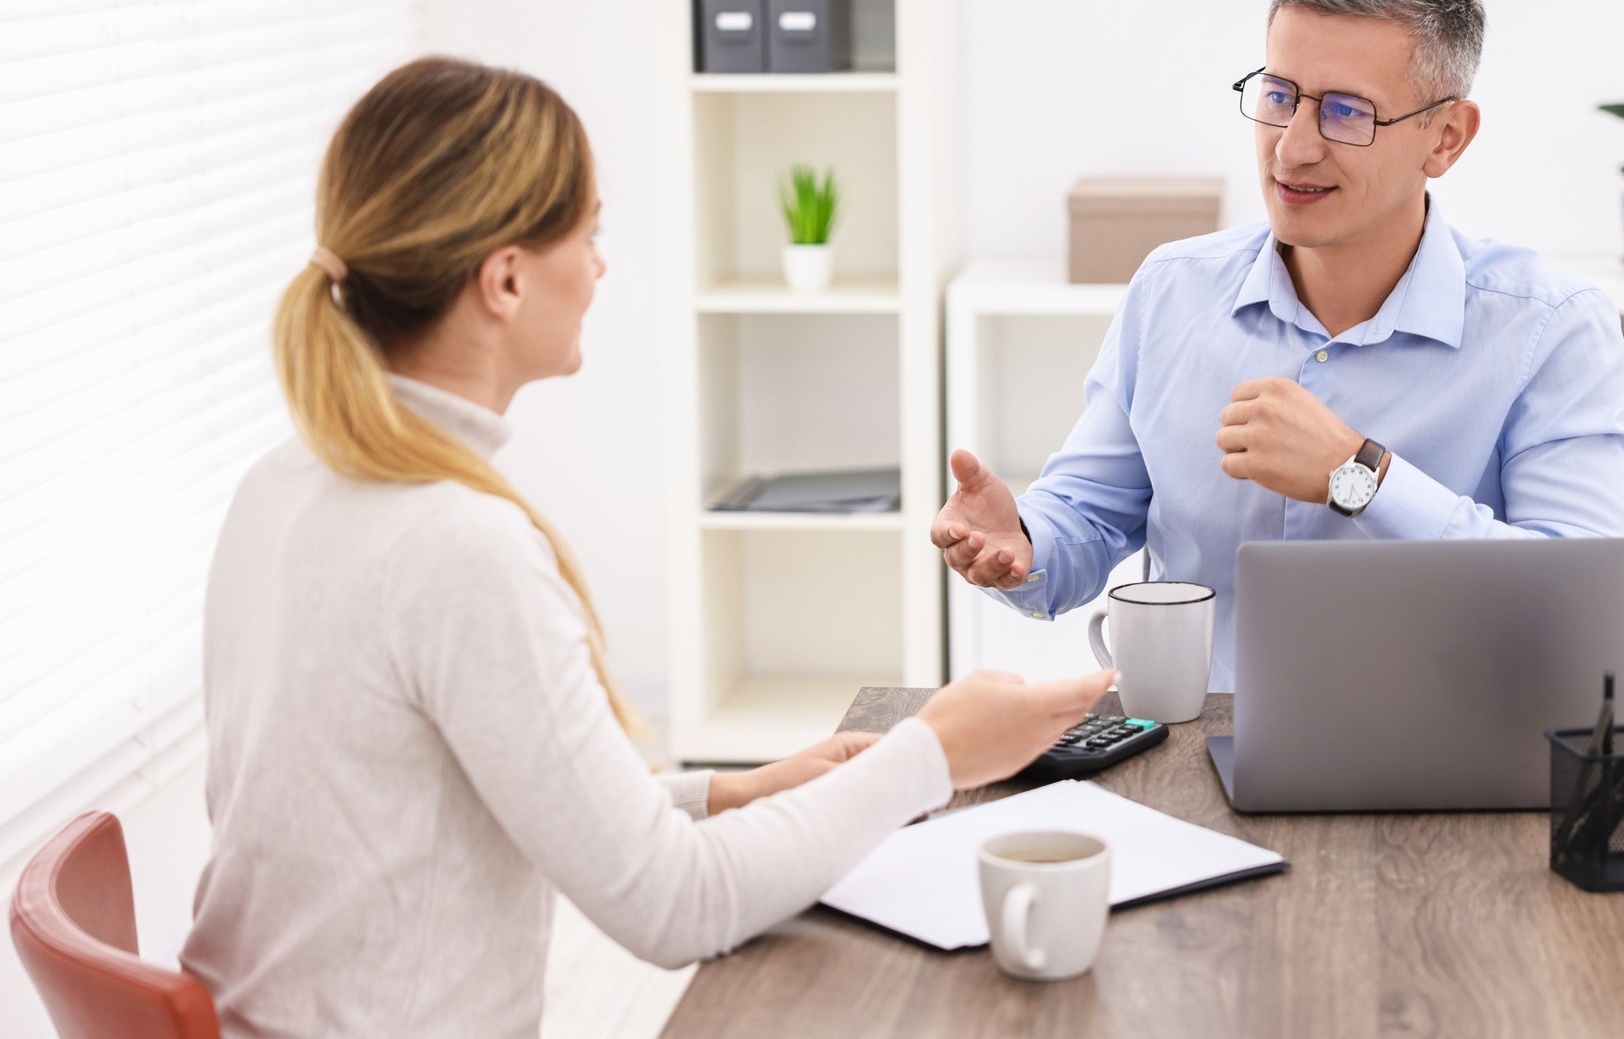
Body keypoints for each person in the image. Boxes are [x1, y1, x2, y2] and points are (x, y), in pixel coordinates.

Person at [180, 57, 1111, 1039]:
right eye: (587, 233)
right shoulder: (455, 546)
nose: (599, 265)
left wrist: (726, 792)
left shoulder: (282, 484)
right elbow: (677, 907)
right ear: (503, 279)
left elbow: (472, 782)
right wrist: (936, 749)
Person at [932, 0, 1624, 689]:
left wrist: (1360, 476)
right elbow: (1089, 517)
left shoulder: (1551, 330)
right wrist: (1019, 539)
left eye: (1347, 112)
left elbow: (1584, 608)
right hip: (1188, 751)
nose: (1292, 149)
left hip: (1443, 766)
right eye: (1279, 97)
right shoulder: (1172, 292)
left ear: (1445, 138)